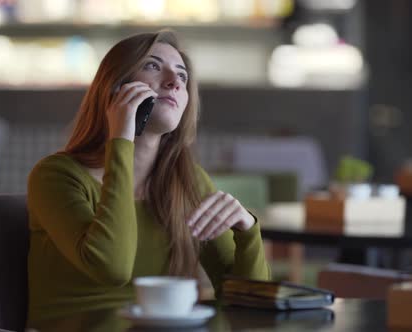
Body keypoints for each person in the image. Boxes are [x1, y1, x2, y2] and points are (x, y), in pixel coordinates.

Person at [26, 30, 270, 327]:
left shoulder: (188, 181)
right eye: (153, 66)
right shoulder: (56, 175)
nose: (175, 82)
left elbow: (248, 302)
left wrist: (248, 231)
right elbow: (112, 268)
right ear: (115, 88)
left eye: (182, 75)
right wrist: (121, 140)